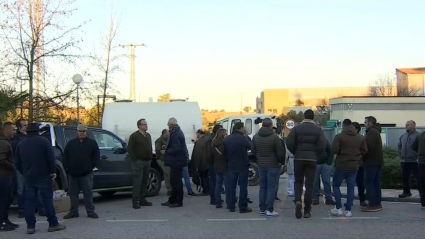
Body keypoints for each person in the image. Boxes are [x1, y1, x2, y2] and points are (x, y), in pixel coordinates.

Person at [15, 123, 65, 234]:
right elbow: (51, 158)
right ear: (38, 131)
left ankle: (30, 226)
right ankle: (53, 224)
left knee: (29, 202)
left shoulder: (21, 144)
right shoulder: (44, 141)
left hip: (28, 176)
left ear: (27, 131)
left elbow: (17, 162)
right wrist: (52, 172)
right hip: (43, 175)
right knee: (47, 201)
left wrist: (24, 172)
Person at [286, 110, 327, 219]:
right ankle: (307, 210)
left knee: (298, 181)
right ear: (313, 118)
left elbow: (289, 142)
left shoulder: (296, 129)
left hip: (298, 158)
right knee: (309, 184)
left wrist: (295, 152)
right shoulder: (318, 130)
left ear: (304, 116)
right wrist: (316, 154)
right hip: (312, 160)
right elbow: (323, 144)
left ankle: (298, 200)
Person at [330, 119, 368, 217]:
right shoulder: (360, 137)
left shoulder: (339, 137)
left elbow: (334, 150)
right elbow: (365, 150)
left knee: (336, 185)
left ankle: (338, 208)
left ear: (344, 126)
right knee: (350, 187)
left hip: (341, 165)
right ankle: (348, 210)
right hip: (354, 165)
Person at [63, 124, 100, 219]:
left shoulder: (92, 143)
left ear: (86, 132)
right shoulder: (71, 143)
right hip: (72, 174)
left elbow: (96, 157)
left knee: (88, 193)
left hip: (86, 174)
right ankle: (73, 211)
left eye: (83, 131)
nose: (82, 133)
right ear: (77, 132)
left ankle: (90, 211)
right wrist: (67, 168)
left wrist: (91, 167)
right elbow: (65, 156)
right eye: (80, 131)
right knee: (73, 194)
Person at [251, 118, 286, 217]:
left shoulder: (256, 137)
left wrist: (259, 157)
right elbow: (280, 152)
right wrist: (281, 162)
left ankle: (262, 208)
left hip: (261, 165)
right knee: (271, 187)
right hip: (273, 165)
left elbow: (253, 151)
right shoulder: (275, 137)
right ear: (271, 125)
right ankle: (270, 209)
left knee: (263, 187)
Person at [223, 122, 252, 213]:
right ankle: (243, 207)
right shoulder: (243, 138)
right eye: (243, 128)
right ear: (240, 128)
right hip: (242, 165)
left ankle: (231, 206)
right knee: (243, 187)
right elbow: (251, 146)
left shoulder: (227, 139)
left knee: (231, 187)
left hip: (231, 165)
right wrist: (247, 136)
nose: (244, 130)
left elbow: (224, 153)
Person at [161, 118, 188, 207]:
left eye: (168, 124)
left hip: (177, 161)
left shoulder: (176, 134)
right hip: (176, 161)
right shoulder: (175, 132)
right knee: (173, 181)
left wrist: (166, 151)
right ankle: (172, 199)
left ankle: (178, 201)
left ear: (171, 124)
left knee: (176, 182)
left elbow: (177, 148)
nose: (167, 125)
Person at [127, 119, 153, 209]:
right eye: (144, 124)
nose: (146, 125)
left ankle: (143, 199)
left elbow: (149, 147)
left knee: (145, 181)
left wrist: (150, 158)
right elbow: (130, 149)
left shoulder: (148, 135)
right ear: (139, 126)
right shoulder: (134, 136)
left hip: (147, 161)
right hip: (138, 162)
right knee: (137, 182)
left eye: (146, 124)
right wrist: (135, 159)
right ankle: (135, 201)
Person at [362, 116, 384, 212]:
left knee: (369, 182)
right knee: (375, 183)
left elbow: (368, 147)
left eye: (365, 122)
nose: (364, 124)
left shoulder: (372, 132)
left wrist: (362, 155)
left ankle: (373, 203)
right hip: (376, 161)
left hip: (371, 161)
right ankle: (377, 202)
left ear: (370, 123)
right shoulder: (375, 132)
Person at [0, 123, 18, 231]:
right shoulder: (2, 143)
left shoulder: (6, 142)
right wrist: (13, 167)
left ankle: (6, 220)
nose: (14, 132)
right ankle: (2, 221)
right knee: (3, 200)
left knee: (8, 199)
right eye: (13, 129)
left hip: (7, 175)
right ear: (6, 130)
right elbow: (1, 159)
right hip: (3, 176)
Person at [397, 120, 420, 198]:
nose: (406, 126)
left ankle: (422, 193)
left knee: (418, 178)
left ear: (414, 125)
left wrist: (417, 155)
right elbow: (399, 145)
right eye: (406, 125)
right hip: (404, 160)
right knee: (405, 177)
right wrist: (400, 153)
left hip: (415, 161)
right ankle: (406, 192)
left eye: (408, 125)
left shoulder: (418, 136)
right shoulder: (403, 136)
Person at [313, 139, 335, 206]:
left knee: (325, 181)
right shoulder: (323, 140)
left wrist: (329, 162)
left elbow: (330, 151)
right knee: (316, 181)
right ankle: (316, 198)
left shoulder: (324, 141)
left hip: (322, 163)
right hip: (318, 164)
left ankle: (327, 198)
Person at [206, 125, 223, 205]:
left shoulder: (211, 139)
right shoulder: (212, 140)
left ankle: (215, 198)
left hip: (213, 162)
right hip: (213, 163)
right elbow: (210, 154)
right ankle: (214, 198)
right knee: (214, 181)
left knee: (215, 181)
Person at [212, 128, 228, 208]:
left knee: (218, 185)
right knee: (227, 185)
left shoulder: (213, 143)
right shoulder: (224, 143)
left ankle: (218, 202)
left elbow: (210, 156)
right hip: (225, 166)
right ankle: (229, 201)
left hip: (217, 166)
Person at [352, 122, 367, 206]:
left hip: (358, 163)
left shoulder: (361, 138)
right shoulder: (348, 138)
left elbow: (364, 150)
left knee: (360, 182)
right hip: (352, 163)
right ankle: (351, 200)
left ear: (357, 129)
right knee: (351, 183)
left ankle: (362, 199)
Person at [191, 129, 209, 196]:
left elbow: (197, 154)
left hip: (202, 163)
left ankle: (205, 190)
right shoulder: (207, 140)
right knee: (206, 177)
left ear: (199, 133)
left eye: (197, 133)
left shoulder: (199, 142)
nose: (196, 135)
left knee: (203, 177)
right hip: (207, 162)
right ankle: (208, 189)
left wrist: (196, 165)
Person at [411, 129, 425, 210]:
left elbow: (413, 146)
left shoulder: (420, 135)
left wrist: (420, 153)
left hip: (421, 161)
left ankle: (423, 203)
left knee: (422, 183)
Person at [156, 129, 172, 196]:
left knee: (166, 174)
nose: (169, 133)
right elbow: (158, 150)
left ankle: (169, 189)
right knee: (168, 173)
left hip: (166, 159)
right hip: (162, 159)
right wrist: (162, 158)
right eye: (168, 132)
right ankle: (170, 189)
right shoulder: (159, 141)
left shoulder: (167, 139)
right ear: (165, 133)